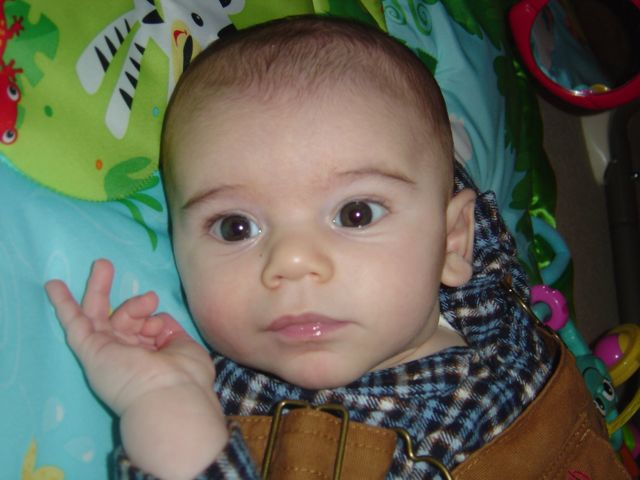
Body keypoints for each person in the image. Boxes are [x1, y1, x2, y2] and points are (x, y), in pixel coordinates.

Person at [45, 15, 625, 479]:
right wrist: (166, 403)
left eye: (355, 214)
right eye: (235, 228)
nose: (293, 263)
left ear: (453, 242)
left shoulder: (475, 280)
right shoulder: (271, 427)